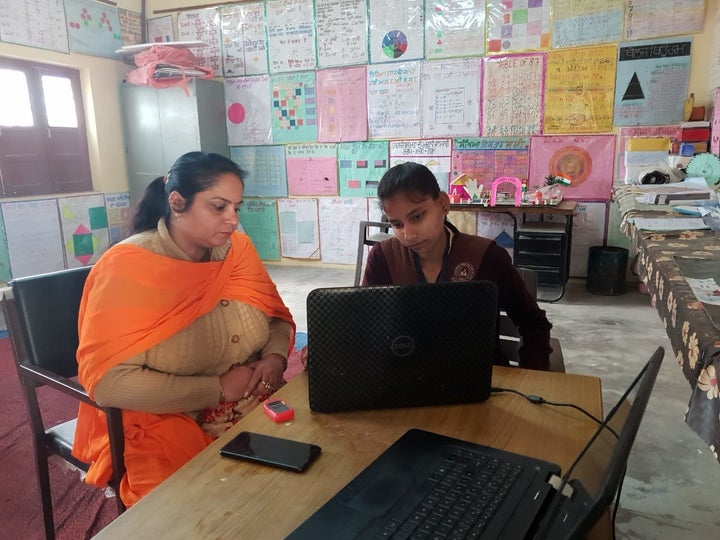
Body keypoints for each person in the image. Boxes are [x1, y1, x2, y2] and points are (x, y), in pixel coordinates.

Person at [72, 151, 295, 507]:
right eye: (219, 207)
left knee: (313, 468)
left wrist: (274, 358)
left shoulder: (236, 250)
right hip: (167, 419)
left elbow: (277, 317)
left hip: (254, 392)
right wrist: (218, 389)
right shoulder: (127, 268)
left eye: (236, 208)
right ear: (177, 202)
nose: (232, 220)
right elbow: (110, 383)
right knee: (198, 511)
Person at [362, 162, 552, 370]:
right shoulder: (383, 258)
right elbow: (364, 327)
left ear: (443, 203)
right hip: (407, 381)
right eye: (397, 224)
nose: (408, 234)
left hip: (480, 383)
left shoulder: (487, 257)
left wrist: (531, 382)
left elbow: (534, 325)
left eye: (417, 216)